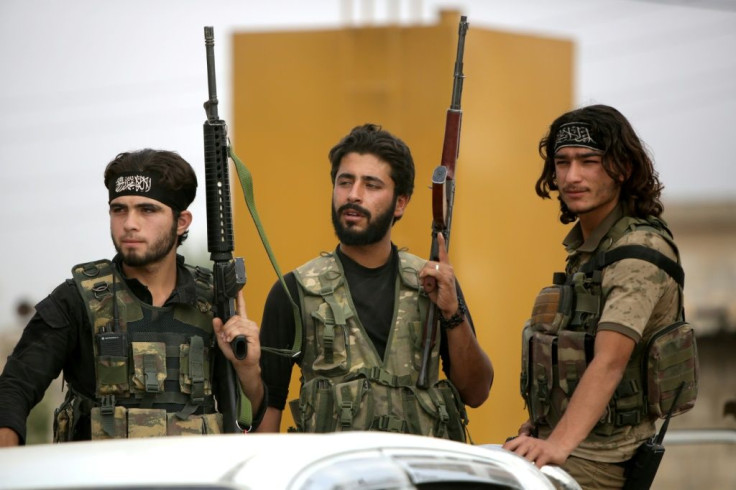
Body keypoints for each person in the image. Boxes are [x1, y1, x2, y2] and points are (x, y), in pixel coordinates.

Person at [0, 149, 264, 446]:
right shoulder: (76, 299)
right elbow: (15, 388)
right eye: (119, 209)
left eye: (147, 210)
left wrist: (248, 369)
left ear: (182, 222)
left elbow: (250, 421)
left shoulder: (213, 302)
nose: (129, 224)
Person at [254, 123, 493, 439]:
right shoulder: (294, 292)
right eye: (345, 182)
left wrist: (452, 313)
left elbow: (476, 393)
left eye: (371, 185)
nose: (353, 195)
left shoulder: (433, 284)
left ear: (400, 203)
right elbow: (269, 411)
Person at [504, 105, 697, 488]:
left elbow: (610, 360)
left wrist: (556, 446)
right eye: (562, 162)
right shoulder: (594, 250)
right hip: (569, 445)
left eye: (589, 161)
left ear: (622, 170)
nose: (572, 176)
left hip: (602, 460)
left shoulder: (638, 251)